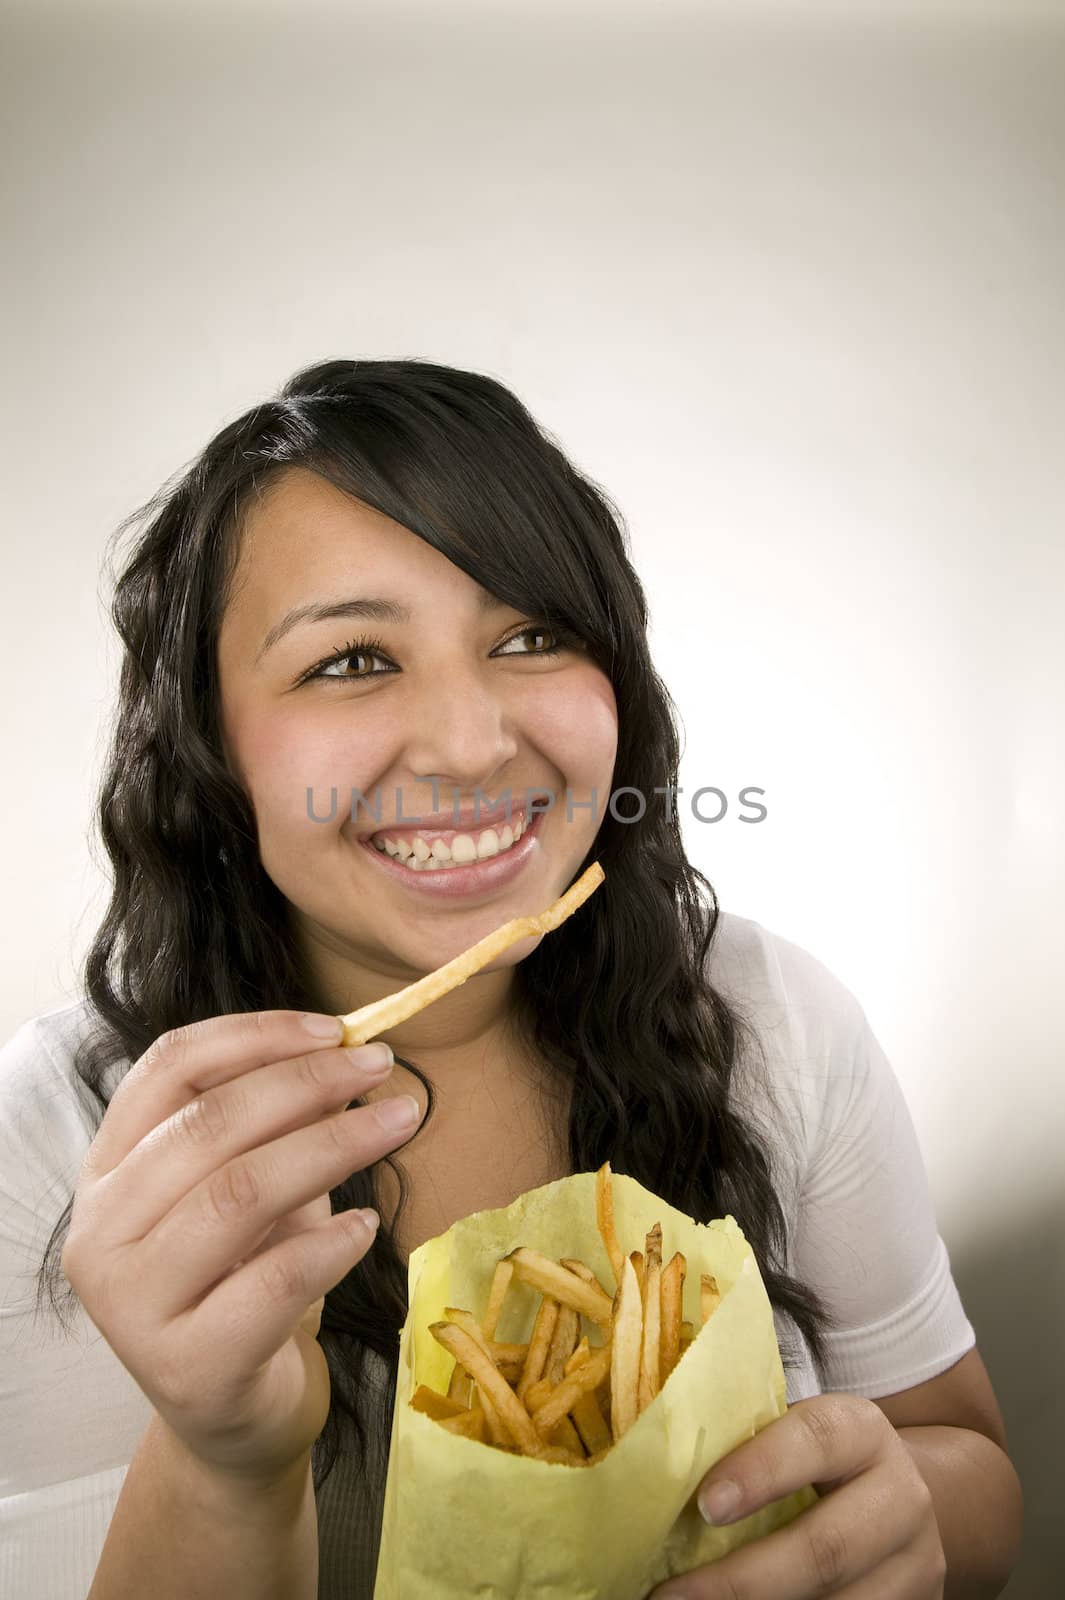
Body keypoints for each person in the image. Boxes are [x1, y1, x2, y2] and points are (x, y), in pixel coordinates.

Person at [0, 359, 1021, 1600]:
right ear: (211, 742)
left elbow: (967, 1457)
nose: (477, 743)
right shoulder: (57, 1144)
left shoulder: (771, 1019)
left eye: (531, 636)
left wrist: (913, 1513)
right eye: (353, 660)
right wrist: (223, 1460)